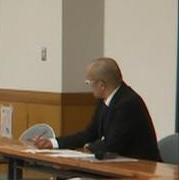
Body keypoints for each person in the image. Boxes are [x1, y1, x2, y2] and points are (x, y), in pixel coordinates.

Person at [33, 57, 161, 161]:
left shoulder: (128, 103)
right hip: (119, 163)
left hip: (143, 167)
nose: (89, 87)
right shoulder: (105, 100)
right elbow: (90, 133)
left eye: (89, 83)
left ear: (101, 85)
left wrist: (88, 148)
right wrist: (53, 143)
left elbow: (113, 144)